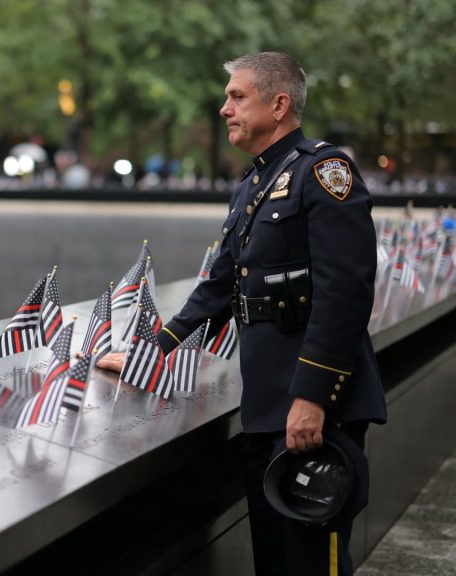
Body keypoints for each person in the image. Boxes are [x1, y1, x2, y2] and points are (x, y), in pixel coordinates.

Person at [98, 52, 386, 576]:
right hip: (267, 406)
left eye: (237, 96)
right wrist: (151, 351)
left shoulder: (324, 172)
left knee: (311, 565)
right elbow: (219, 286)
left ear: (279, 105)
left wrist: (313, 398)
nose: (224, 108)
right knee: (274, 562)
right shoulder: (254, 185)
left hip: (316, 410)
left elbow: (345, 295)